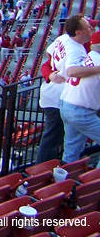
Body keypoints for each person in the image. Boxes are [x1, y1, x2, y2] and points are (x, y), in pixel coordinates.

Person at [57, 17, 100, 162]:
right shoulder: (76, 49)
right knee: (72, 149)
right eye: (88, 27)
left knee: (71, 152)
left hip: (67, 103)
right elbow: (72, 71)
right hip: (80, 110)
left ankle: (64, 181)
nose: (91, 29)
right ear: (78, 32)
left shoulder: (89, 54)